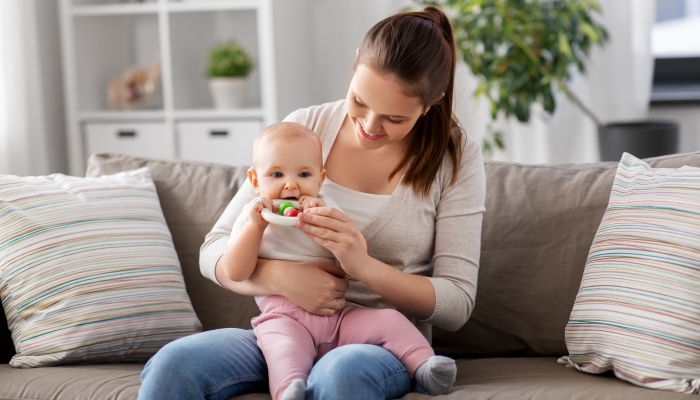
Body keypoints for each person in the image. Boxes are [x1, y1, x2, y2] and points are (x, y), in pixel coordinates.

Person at [138, 6, 485, 400]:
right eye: (359, 100)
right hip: (284, 330)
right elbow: (212, 249)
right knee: (173, 366)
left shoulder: (455, 158)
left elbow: (457, 303)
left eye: (394, 118)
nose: (370, 126)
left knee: (341, 373)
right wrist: (278, 278)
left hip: (376, 343)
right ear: (355, 63)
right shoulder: (307, 128)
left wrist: (363, 266)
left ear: (431, 103)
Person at [226, 121, 457, 400]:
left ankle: (426, 367)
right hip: (282, 317)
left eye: (303, 174)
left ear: (320, 179)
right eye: (276, 174)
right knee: (283, 350)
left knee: (389, 320)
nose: (291, 184)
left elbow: (356, 252)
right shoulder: (253, 217)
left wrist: (328, 224)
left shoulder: (325, 206)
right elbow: (235, 271)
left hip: (338, 315)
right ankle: (289, 391)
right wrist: (256, 227)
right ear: (255, 181)